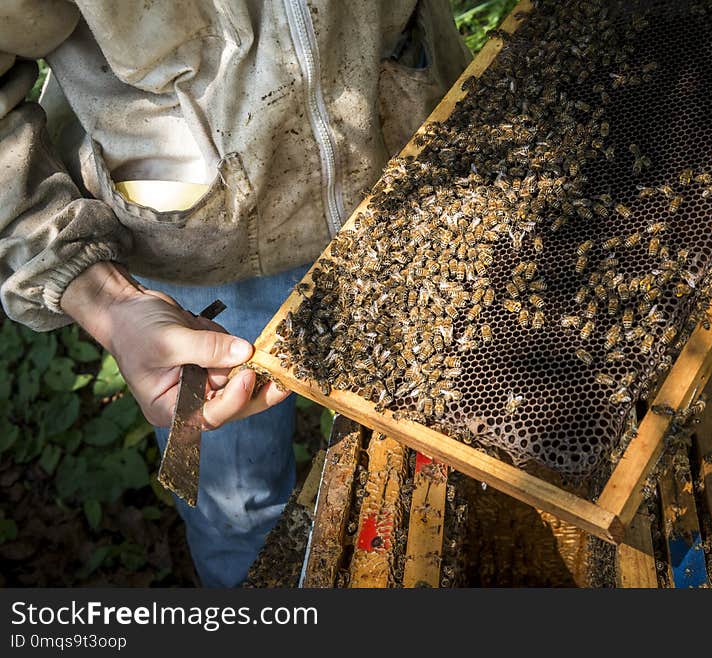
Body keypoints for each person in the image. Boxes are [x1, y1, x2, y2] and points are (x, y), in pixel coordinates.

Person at [0, 0, 470, 586]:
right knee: (235, 506)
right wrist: (104, 296)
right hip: (200, 275)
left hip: (412, 198)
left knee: (425, 469)